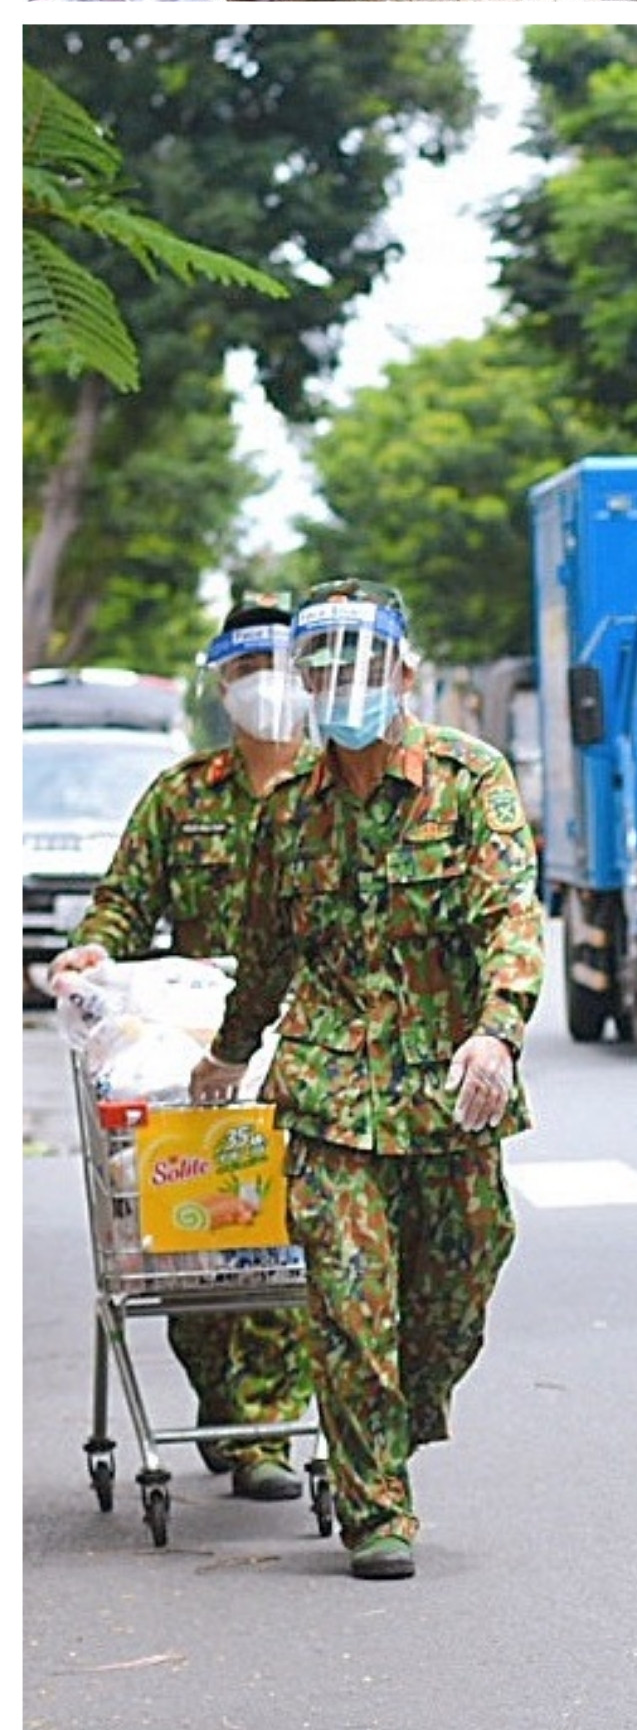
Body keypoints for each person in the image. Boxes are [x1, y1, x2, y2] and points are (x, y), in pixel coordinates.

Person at [185, 580, 542, 1582]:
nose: (345, 682)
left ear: (404, 670)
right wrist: (228, 1048)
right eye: (324, 663)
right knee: (349, 1301)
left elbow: (510, 915)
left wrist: (496, 1033)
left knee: (459, 1283)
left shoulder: (472, 779)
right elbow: (262, 950)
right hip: (332, 1089)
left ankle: (399, 1413)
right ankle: (374, 1499)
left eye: (363, 660)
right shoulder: (290, 810)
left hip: (451, 1080)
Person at [47, 592, 319, 1506]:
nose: (263, 690)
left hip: (298, 1044)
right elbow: (123, 898)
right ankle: (224, 1403)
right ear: (221, 684)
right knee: (195, 1247)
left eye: (277, 672)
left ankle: (268, 1432)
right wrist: (96, 946)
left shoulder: (335, 785)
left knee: (282, 1239)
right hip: (194, 1054)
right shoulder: (180, 796)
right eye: (246, 674)